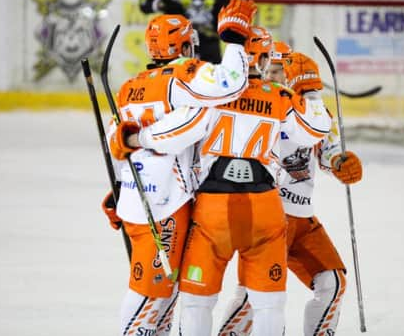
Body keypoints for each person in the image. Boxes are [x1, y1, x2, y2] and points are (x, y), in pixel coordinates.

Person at [115, 25, 333, 335]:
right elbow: (317, 129)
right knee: (269, 305)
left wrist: (136, 140)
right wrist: (310, 91)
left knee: (195, 302)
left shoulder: (209, 96)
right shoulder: (280, 96)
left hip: (212, 212)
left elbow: (174, 134)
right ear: (263, 58)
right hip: (265, 211)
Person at [102, 0, 256, 336]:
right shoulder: (184, 73)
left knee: (165, 289)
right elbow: (232, 82)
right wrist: (233, 40)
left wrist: (118, 188)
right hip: (164, 204)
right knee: (152, 290)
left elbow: (117, 140)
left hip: (135, 196)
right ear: (183, 43)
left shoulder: (131, 86)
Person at [217, 49, 363, 336]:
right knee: (257, 295)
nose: (268, 76)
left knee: (332, 283)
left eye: (275, 71)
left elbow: (327, 150)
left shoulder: (315, 112)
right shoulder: (257, 105)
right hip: (267, 215)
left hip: (302, 218)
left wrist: (340, 162)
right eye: (266, 70)